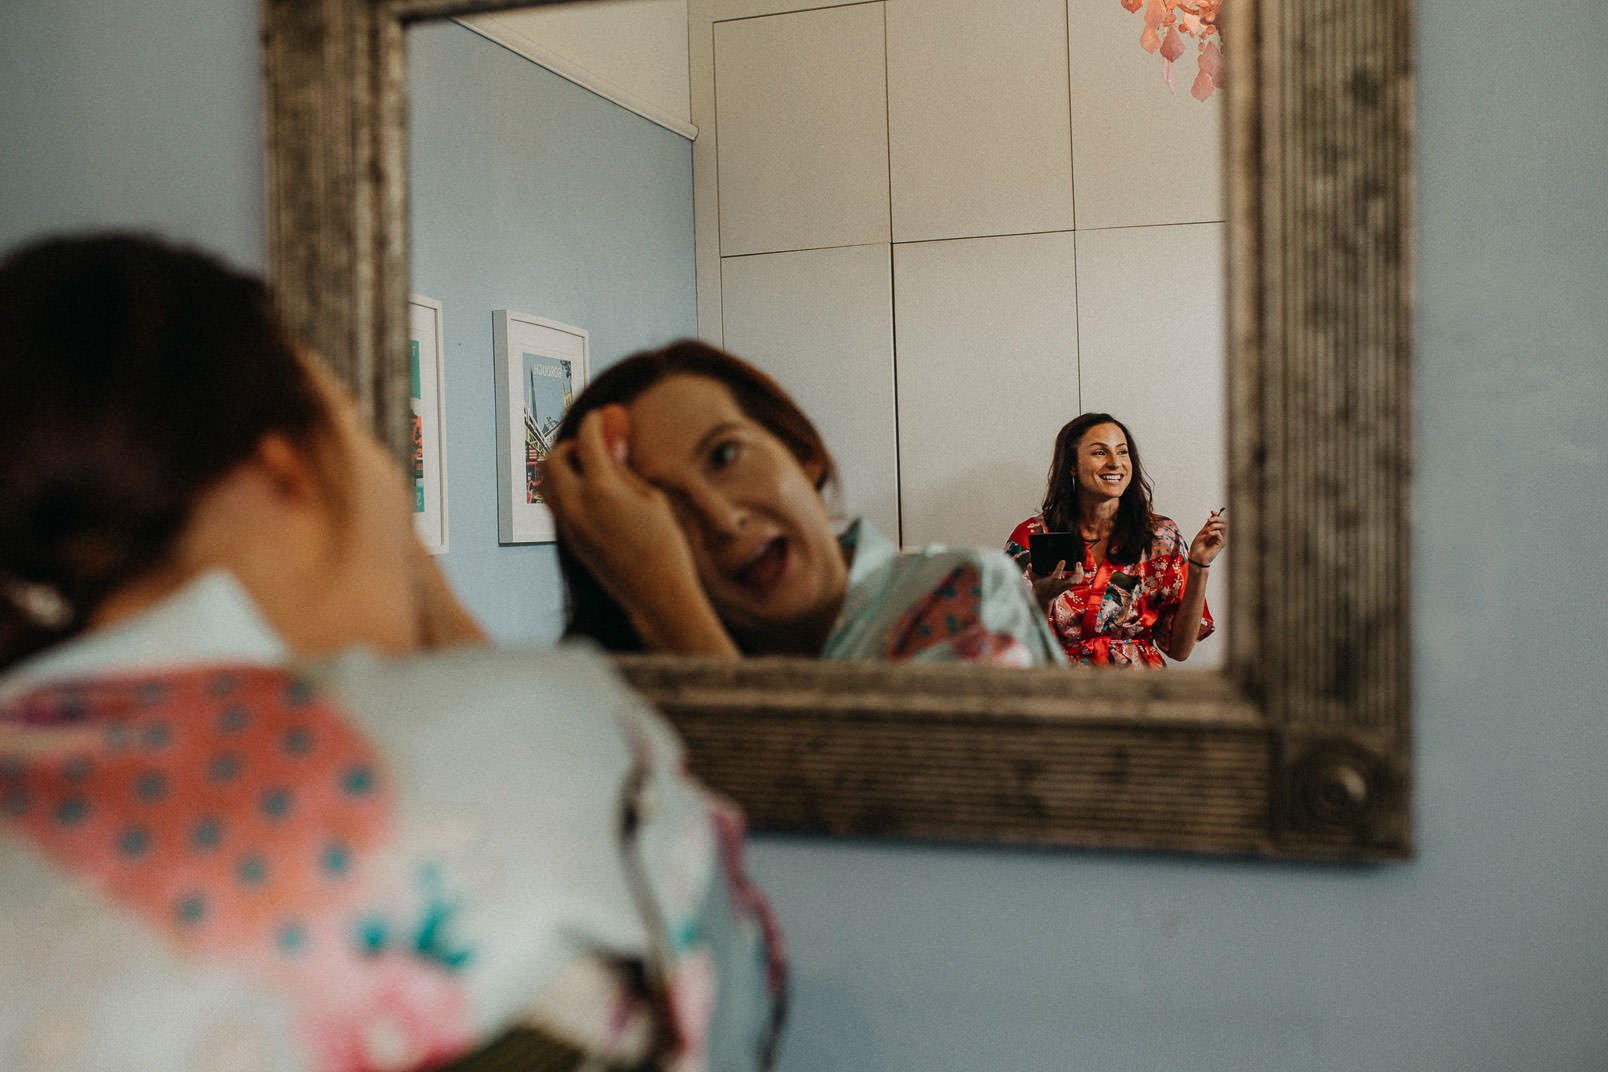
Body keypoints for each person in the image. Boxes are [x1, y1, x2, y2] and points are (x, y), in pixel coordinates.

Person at [0, 234, 784, 1071]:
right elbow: (734, 991)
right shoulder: (544, 740)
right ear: (286, 464)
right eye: (356, 427)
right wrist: (431, 602)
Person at [540, 341, 1064, 667]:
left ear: (802, 453)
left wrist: (674, 615)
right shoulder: (635, 681)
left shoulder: (961, 592)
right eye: (664, 508)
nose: (722, 520)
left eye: (725, 454)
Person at [1004, 413, 1226, 668]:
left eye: (1122, 452)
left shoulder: (1160, 537)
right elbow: (1014, 651)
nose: (1115, 463)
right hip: (1061, 692)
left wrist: (1199, 565)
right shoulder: (1032, 536)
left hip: (1140, 694)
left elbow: (1179, 649)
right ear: (1072, 465)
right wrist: (1042, 601)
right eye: (1100, 453)